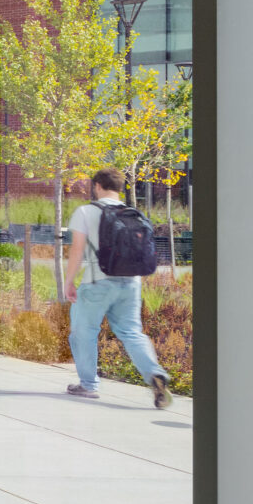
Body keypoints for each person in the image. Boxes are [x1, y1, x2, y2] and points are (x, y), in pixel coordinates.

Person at [63, 168, 172, 409]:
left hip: (97, 282)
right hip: (132, 282)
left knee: (83, 332)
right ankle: (155, 373)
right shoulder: (134, 213)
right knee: (132, 332)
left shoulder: (86, 211)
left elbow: (77, 250)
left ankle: (88, 385)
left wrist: (68, 281)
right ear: (120, 188)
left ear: (97, 186)